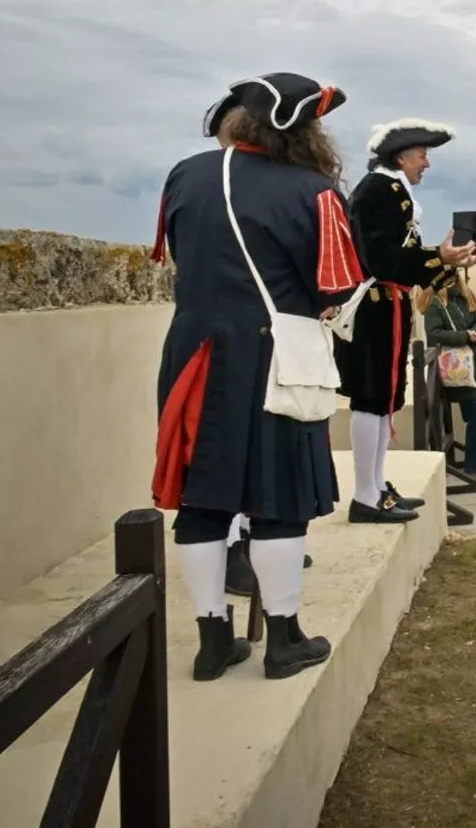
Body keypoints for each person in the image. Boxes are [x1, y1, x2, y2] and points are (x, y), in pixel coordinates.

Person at [152, 73, 355, 681]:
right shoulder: (313, 191)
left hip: (192, 352)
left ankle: (213, 641)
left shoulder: (184, 174)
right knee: (278, 501)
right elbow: (336, 285)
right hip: (273, 355)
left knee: (202, 499)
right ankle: (285, 638)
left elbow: (180, 256)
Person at [336, 117, 476, 524]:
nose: (426, 164)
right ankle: (366, 495)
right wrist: (440, 257)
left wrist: (452, 261)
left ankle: (377, 486)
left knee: (384, 401)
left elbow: (408, 265)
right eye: (422, 155)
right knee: (370, 399)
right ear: (401, 156)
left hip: (389, 306)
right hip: (373, 307)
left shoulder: (389, 189)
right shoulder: (379, 190)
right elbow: (381, 260)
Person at [423, 274, 476, 478]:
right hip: (459, 368)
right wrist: (465, 335)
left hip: (475, 364)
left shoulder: (465, 297)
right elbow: (433, 334)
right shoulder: (436, 303)